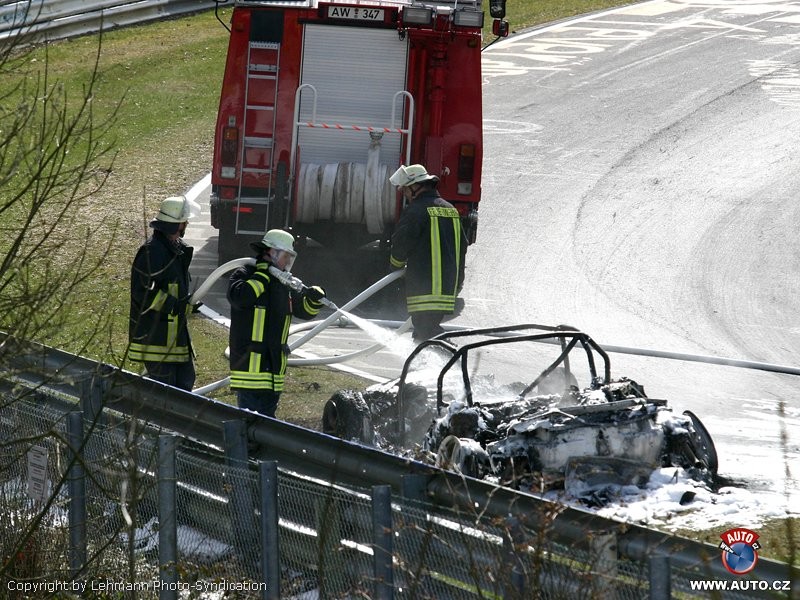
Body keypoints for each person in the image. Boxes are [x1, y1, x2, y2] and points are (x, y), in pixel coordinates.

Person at [227, 229, 327, 417]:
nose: (288, 262)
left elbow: (303, 311)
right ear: (272, 253)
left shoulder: (283, 283)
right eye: (286, 257)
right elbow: (241, 298)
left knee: (267, 430)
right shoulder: (245, 274)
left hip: (274, 374)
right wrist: (263, 274)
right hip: (250, 372)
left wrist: (315, 298)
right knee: (248, 426)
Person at [129, 195, 200, 391]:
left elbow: (175, 290)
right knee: (166, 399)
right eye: (184, 221)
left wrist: (188, 304)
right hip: (156, 342)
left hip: (176, 342)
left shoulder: (175, 251)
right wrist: (174, 305)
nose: (186, 224)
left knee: (186, 384)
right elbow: (142, 293)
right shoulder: (153, 252)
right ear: (176, 224)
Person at [389, 164, 467, 342]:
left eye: (406, 191)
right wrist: (458, 281)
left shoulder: (416, 211)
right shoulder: (451, 210)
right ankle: (426, 366)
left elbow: (401, 244)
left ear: (415, 186)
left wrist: (395, 267)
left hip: (424, 289)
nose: (406, 195)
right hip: (447, 288)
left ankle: (453, 360)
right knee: (424, 332)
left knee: (428, 332)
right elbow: (462, 247)